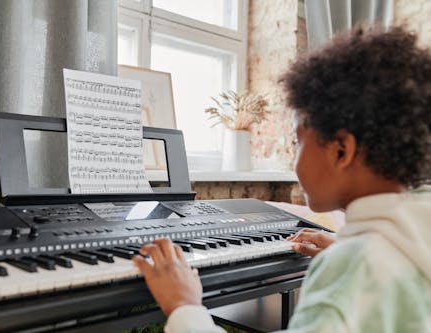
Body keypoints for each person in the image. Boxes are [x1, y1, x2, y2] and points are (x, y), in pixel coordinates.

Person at [132, 25, 431, 333]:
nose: (295, 158)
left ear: (341, 150)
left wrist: (185, 307)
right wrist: (347, 246)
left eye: (297, 142)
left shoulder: (352, 267)